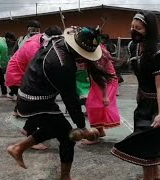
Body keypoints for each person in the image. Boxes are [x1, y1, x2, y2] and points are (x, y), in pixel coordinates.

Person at [7, 26, 106, 180]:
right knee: (67, 137)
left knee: (54, 128)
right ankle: (65, 177)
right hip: (36, 101)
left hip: (28, 94)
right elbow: (70, 99)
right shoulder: (63, 65)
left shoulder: (58, 41)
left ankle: (18, 148)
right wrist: (82, 127)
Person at [110, 12, 160, 180]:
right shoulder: (132, 47)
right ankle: (156, 175)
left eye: (138, 28)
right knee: (145, 143)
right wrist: (139, 94)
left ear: (148, 30)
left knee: (151, 144)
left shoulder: (158, 52)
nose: (133, 30)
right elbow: (141, 76)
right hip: (144, 101)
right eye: (132, 27)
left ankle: (151, 177)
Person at [5, 26, 63, 101]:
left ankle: (17, 110)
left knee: (25, 103)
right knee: (32, 100)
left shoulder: (41, 38)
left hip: (21, 75)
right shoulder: (33, 46)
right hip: (16, 77)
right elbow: (39, 67)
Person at [82, 41, 121, 145]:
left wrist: (105, 96)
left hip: (106, 82)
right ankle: (100, 131)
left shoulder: (96, 55)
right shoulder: (97, 49)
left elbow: (102, 79)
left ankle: (96, 135)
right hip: (100, 82)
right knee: (91, 105)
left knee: (95, 105)